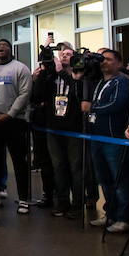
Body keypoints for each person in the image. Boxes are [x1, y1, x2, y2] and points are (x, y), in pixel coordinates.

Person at [34, 43, 86, 218]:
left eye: (68, 53)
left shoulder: (78, 75)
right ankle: (62, 202)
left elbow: (80, 96)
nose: (64, 56)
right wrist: (43, 71)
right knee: (59, 167)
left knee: (76, 168)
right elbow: (36, 95)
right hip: (53, 128)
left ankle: (78, 205)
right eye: (62, 53)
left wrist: (62, 73)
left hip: (73, 129)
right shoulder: (51, 76)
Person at [87, 49, 129, 233]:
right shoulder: (98, 82)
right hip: (97, 137)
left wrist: (93, 107)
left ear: (118, 63)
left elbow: (117, 104)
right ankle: (110, 214)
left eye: (108, 59)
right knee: (104, 179)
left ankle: (124, 218)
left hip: (114, 138)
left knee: (119, 179)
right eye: (102, 60)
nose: (104, 62)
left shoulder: (121, 82)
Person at [0, 39, 32, 214]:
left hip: (15, 121)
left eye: (5, 45)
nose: (1, 46)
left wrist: (10, 114)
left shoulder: (20, 68)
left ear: (11, 50)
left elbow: (25, 94)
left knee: (19, 161)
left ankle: (24, 199)